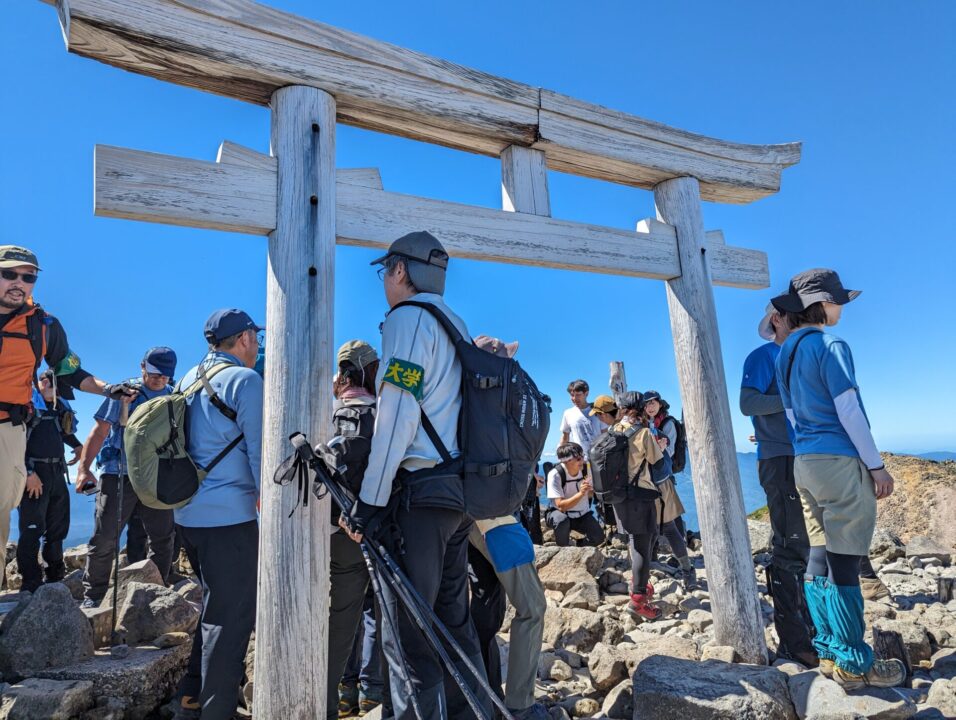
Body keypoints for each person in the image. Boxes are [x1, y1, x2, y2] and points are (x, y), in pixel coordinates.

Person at [341, 231, 491, 720]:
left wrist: (370, 499)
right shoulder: (457, 323)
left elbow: (398, 412)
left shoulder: (407, 320)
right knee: (454, 623)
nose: (385, 279)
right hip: (457, 496)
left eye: (385, 270)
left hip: (420, 499)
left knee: (407, 635)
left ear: (401, 271)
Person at [773, 268, 904, 689]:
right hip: (839, 459)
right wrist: (876, 465)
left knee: (818, 556)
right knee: (846, 560)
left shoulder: (785, 353)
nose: (841, 308)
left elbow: (792, 416)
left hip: (805, 461)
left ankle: (828, 649)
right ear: (823, 305)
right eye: (837, 301)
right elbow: (849, 409)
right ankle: (853, 662)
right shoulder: (831, 344)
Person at [0, 244, 138, 555]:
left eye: (28, 277)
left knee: (0, 515)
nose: (19, 283)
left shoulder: (42, 325)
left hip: (9, 427)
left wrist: (108, 389)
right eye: (8, 274)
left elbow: (71, 371)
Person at [173, 309, 263, 720]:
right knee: (231, 618)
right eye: (255, 337)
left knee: (215, 605)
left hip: (187, 516)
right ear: (243, 338)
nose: (257, 344)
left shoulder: (187, 379)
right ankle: (217, 710)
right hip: (231, 516)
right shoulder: (245, 381)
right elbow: (262, 451)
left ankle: (192, 693)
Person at [466, 334, 548, 720]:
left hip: (460, 510)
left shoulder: (464, 389)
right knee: (532, 606)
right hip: (495, 517)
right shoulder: (502, 391)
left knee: (483, 601)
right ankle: (518, 705)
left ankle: (482, 693)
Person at [740, 303, 818, 666]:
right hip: (779, 458)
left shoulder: (801, 354)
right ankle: (794, 640)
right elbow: (747, 402)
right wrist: (791, 400)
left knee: (810, 545)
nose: (801, 321)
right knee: (791, 545)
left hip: (808, 455)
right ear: (776, 319)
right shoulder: (762, 356)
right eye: (794, 316)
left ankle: (813, 629)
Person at [76, 347, 179, 607]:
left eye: (165, 375)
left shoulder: (174, 396)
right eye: (155, 373)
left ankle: (155, 591)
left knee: (163, 537)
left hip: (156, 476)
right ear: (142, 366)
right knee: (106, 536)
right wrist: (83, 469)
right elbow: (99, 432)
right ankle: (95, 595)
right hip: (117, 473)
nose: (159, 379)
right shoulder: (122, 393)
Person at [323, 340, 381, 720]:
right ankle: (372, 692)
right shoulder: (385, 412)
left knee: (342, 614)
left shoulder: (325, 412)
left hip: (336, 528)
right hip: (378, 524)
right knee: (378, 609)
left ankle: (333, 697)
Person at [591, 392, 665, 619]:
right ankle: (639, 599)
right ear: (641, 407)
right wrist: (659, 445)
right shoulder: (642, 433)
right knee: (643, 543)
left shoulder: (612, 431)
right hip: (639, 495)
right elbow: (658, 463)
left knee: (636, 540)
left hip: (618, 497)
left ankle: (639, 582)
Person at [16, 370, 80, 592]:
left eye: (55, 383)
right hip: (35, 474)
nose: (52, 385)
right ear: (38, 383)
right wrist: (28, 472)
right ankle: (30, 582)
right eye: (47, 381)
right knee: (32, 528)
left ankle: (54, 576)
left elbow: (63, 432)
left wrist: (78, 446)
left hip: (56, 473)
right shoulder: (27, 407)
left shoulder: (59, 407)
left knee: (57, 528)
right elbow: (14, 443)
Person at [641, 391, 695, 586]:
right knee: (659, 526)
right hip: (652, 480)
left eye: (653, 403)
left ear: (660, 404)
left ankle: (684, 567)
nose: (650, 407)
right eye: (647, 405)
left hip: (663, 478)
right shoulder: (648, 425)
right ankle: (656, 564)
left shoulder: (666, 424)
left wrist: (656, 447)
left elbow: (668, 451)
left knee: (668, 524)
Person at [545, 441, 604, 547]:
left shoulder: (586, 469)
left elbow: (590, 495)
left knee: (598, 537)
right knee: (562, 521)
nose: (582, 460)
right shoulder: (555, 475)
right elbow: (560, 506)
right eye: (578, 458)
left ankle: (578, 547)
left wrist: (592, 490)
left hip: (582, 514)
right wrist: (581, 493)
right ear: (566, 461)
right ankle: (562, 550)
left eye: (582, 456)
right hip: (560, 514)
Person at [559, 379, 603, 457]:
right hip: (579, 460)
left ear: (586, 393)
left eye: (578, 395)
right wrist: (561, 456)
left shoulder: (597, 410)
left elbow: (605, 434)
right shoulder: (568, 413)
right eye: (572, 395)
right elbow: (565, 438)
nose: (575, 398)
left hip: (600, 458)